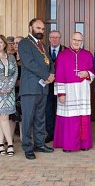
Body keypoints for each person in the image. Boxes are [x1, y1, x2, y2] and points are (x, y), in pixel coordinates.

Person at [18, 18, 55, 160]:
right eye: (38, 28)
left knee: (40, 118)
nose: (41, 31)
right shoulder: (24, 43)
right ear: (30, 28)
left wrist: (52, 75)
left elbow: (50, 61)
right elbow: (29, 63)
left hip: (43, 88)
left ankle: (39, 143)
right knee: (28, 118)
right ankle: (27, 147)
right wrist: (47, 75)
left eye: (43, 29)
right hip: (30, 88)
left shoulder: (43, 45)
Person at [53, 32, 95, 152]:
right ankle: (69, 145)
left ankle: (84, 144)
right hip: (68, 91)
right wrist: (61, 93)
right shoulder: (62, 55)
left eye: (79, 40)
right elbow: (59, 75)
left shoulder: (87, 55)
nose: (76, 42)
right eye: (75, 39)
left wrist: (87, 73)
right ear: (70, 40)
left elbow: (93, 71)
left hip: (83, 90)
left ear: (82, 42)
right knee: (69, 119)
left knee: (83, 118)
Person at [45, 30, 66, 143]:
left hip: (62, 85)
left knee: (61, 109)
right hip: (48, 85)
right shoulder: (43, 51)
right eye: (52, 37)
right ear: (49, 38)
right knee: (48, 110)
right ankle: (50, 133)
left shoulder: (66, 50)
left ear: (60, 38)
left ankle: (61, 133)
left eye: (57, 37)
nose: (54, 39)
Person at [0, 35, 18, 156]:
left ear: (5, 44)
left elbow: (15, 72)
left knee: (3, 118)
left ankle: (1, 144)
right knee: (3, 118)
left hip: (9, 92)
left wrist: (9, 86)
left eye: (1, 42)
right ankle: (10, 144)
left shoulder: (11, 57)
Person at [9, 36, 24, 141]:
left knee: (23, 115)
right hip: (12, 90)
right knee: (11, 115)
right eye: (14, 43)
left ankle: (24, 139)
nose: (15, 45)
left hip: (24, 90)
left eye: (18, 43)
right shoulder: (10, 57)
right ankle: (9, 138)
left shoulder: (27, 57)